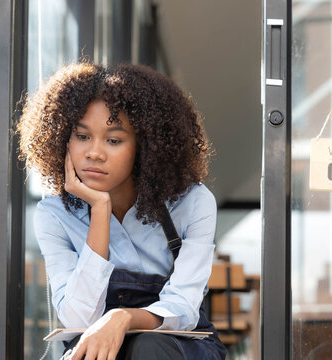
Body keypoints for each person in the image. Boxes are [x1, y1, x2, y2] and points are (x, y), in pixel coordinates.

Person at [17, 62, 227, 360]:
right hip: (97, 348)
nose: (94, 152)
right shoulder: (54, 214)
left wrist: (122, 317)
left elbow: (183, 306)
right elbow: (77, 319)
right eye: (82, 136)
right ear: (63, 139)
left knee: (147, 347)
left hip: (176, 347)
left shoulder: (191, 202)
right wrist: (100, 210)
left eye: (113, 140)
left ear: (145, 146)